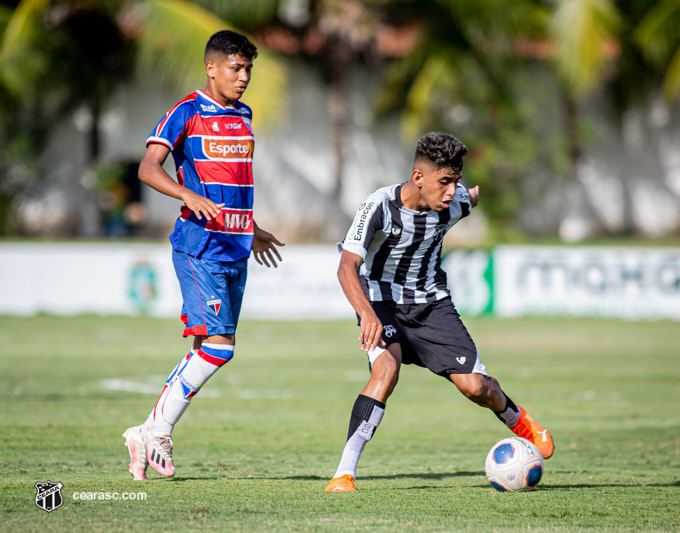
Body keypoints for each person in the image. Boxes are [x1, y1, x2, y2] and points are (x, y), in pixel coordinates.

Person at [324, 132, 554, 492]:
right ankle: (344, 473)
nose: (451, 191)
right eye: (444, 182)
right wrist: (367, 314)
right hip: (381, 304)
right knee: (386, 367)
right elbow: (346, 266)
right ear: (419, 178)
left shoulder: (456, 201)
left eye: (456, 182)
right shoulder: (378, 206)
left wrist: (471, 193)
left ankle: (516, 418)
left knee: (475, 387)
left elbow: (470, 199)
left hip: (432, 305)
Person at [122, 30, 284, 480]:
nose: (244, 77)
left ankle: (146, 431)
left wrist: (253, 230)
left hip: (235, 247)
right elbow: (148, 168)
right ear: (211, 68)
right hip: (199, 247)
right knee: (219, 347)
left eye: (249, 68)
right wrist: (187, 194)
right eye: (236, 68)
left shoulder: (245, 115)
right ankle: (157, 430)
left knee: (205, 347)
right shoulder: (186, 112)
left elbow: (232, 185)